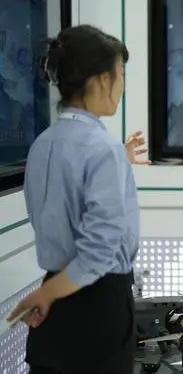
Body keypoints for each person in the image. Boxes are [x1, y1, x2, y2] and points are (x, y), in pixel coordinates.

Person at [6, 25, 149, 374]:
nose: (122, 85)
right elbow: (99, 250)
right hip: (97, 308)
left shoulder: (42, 144)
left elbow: (55, 209)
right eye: (121, 74)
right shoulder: (103, 148)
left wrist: (50, 292)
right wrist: (48, 293)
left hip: (54, 306)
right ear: (103, 79)